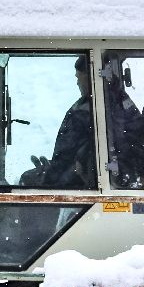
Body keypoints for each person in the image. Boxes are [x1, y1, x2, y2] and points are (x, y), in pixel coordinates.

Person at [24, 54, 98, 189]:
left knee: (27, 181)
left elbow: (74, 155)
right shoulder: (92, 104)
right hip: (73, 171)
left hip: (79, 177)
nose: (77, 82)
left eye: (78, 77)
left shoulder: (89, 110)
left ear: (88, 76)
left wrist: (52, 174)